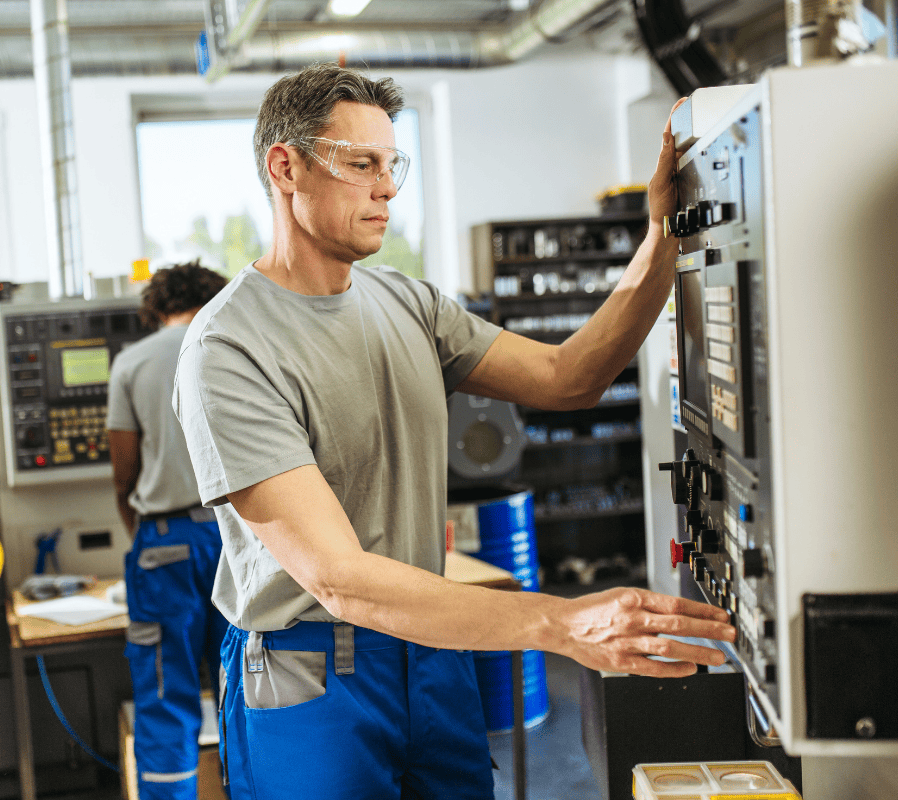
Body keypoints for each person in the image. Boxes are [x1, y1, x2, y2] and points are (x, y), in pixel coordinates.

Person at [171, 63, 736, 799]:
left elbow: (570, 376)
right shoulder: (228, 349)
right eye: (361, 164)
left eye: (393, 164)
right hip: (312, 673)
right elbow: (338, 579)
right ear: (286, 167)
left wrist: (663, 233)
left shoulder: (406, 302)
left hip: (433, 650)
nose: (388, 187)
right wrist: (560, 624)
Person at [107, 261, 230, 800]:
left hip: (166, 544)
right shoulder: (235, 346)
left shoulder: (132, 362)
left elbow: (123, 471)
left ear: (155, 309)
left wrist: (146, 532)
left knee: (165, 694)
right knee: (246, 688)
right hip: (237, 540)